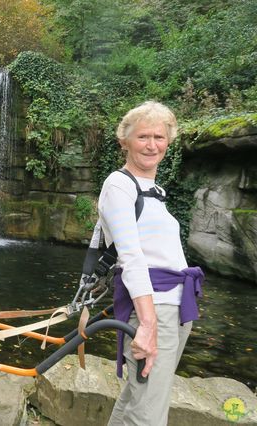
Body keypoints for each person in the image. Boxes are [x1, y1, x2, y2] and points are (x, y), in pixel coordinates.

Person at [99, 101, 204, 425]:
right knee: (148, 416)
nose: (152, 144)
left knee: (138, 399)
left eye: (159, 137)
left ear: (169, 142)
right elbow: (131, 257)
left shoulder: (154, 190)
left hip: (175, 306)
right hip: (154, 308)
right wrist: (147, 324)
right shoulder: (120, 185)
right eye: (143, 136)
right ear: (124, 141)